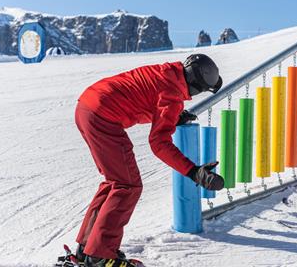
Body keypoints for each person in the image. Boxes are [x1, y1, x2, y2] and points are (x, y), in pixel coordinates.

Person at [72, 54, 224, 267]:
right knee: (127, 185)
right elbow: (159, 143)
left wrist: (172, 116)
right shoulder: (172, 94)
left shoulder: (166, 74)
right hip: (102, 116)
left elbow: (141, 99)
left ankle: (88, 248)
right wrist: (194, 172)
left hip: (87, 107)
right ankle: (100, 256)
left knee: (115, 181)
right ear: (196, 86)